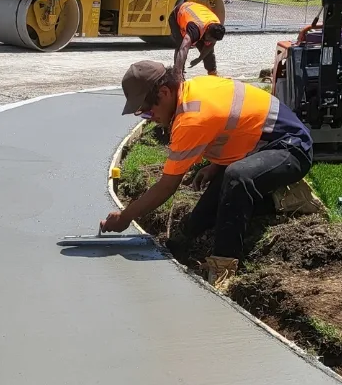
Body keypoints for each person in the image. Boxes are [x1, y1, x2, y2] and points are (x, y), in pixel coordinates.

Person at [100, 61, 319, 286]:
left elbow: (167, 186)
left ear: (164, 93)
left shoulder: (191, 118)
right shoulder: (192, 90)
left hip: (290, 148)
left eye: (147, 110)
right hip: (259, 147)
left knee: (237, 178)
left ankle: (223, 268)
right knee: (200, 217)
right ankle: (176, 247)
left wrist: (125, 217)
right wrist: (215, 165)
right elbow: (234, 123)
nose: (148, 117)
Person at [172, 1, 225, 80]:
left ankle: (212, 73)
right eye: (209, 39)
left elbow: (210, 45)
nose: (209, 42)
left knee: (207, 47)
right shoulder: (195, 28)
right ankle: (178, 75)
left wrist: (199, 58)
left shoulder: (216, 27)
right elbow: (183, 49)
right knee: (181, 43)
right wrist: (178, 72)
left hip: (198, 13)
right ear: (207, 30)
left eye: (213, 40)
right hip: (178, 14)